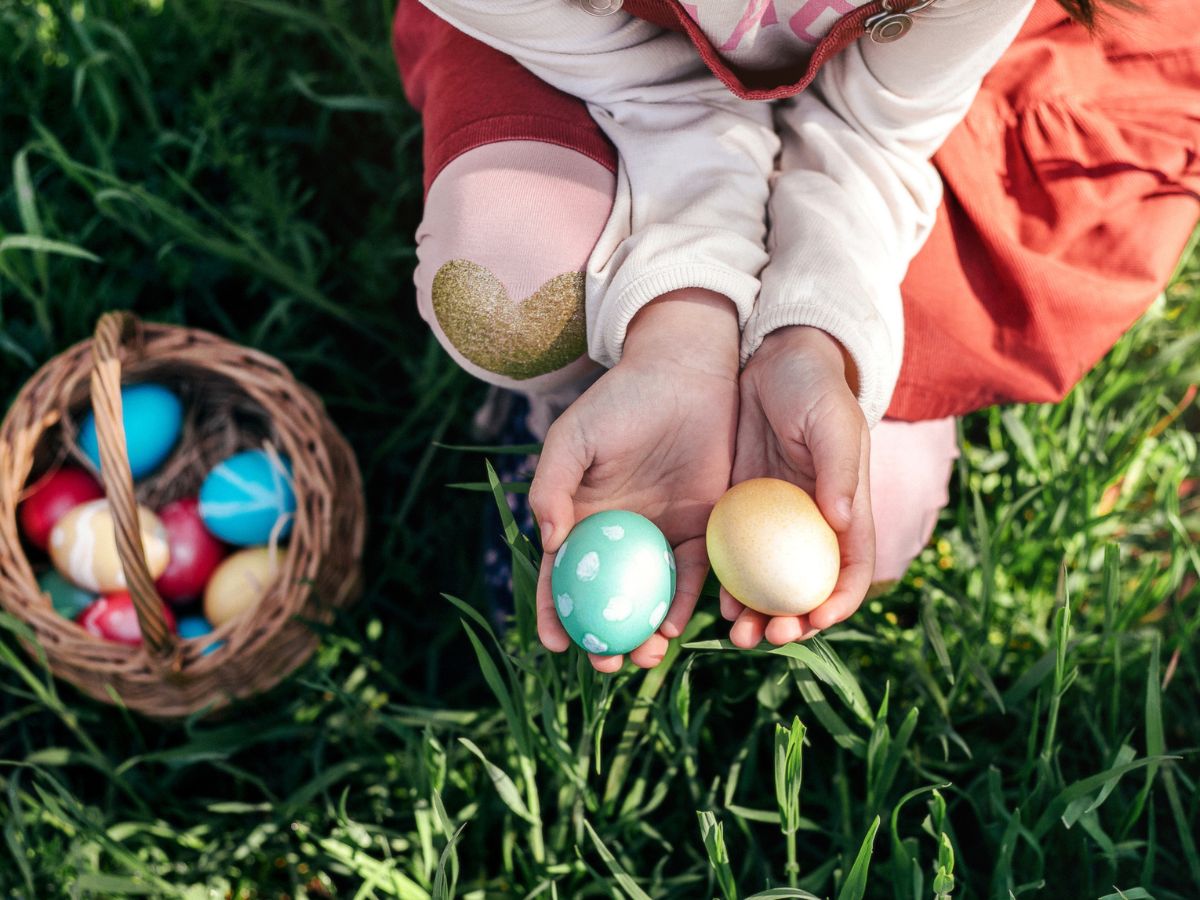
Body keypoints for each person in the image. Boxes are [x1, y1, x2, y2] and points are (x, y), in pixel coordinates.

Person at [393, 0, 1200, 671]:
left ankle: (848, 339)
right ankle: (575, 396)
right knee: (508, 296)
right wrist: (681, 326)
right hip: (608, 65)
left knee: (876, 506)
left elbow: (874, 133)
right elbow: (656, 94)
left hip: (922, 100)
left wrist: (812, 335)